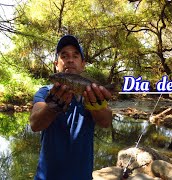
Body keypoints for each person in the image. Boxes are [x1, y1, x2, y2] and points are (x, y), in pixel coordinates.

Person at [30, 35, 113, 180]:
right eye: (64, 56)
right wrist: (51, 108)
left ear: (83, 64)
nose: (70, 60)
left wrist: (97, 106)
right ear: (57, 64)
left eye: (75, 56)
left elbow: (106, 122)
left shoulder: (91, 93)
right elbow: (35, 124)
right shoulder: (44, 92)